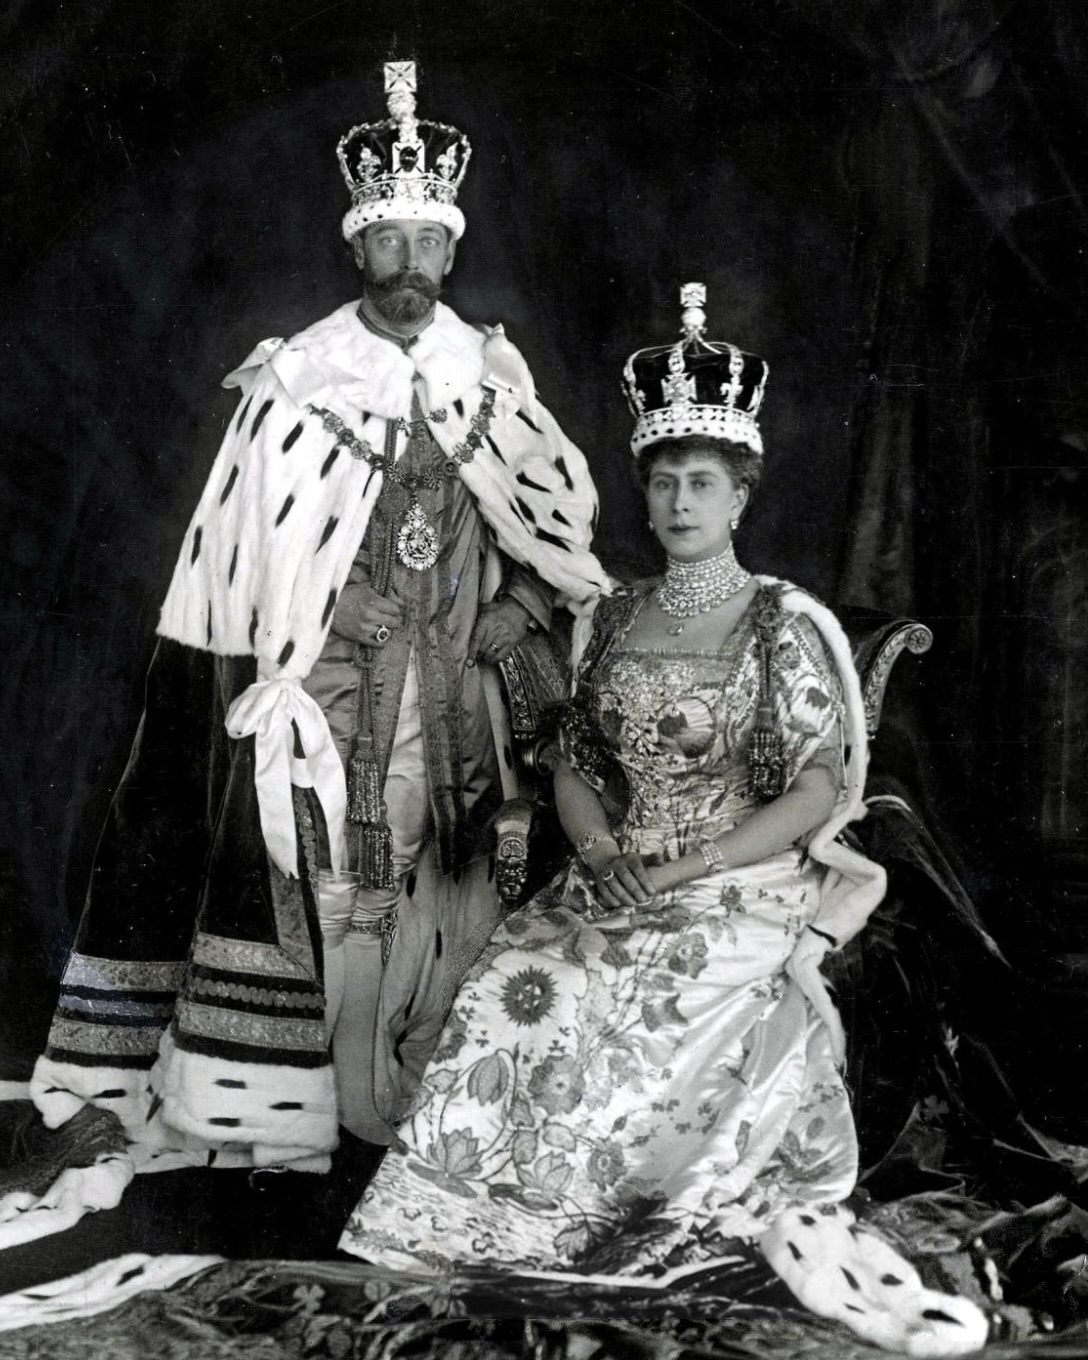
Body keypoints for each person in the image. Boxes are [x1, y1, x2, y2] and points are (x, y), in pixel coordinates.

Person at [339, 285, 989, 1356]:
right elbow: (572, 762)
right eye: (664, 481)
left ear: (739, 497)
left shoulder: (782, 621)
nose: (681, 501)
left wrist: (695, 861)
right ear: (643, 497)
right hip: (619, 864)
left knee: (635, 992)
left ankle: (616, 1225)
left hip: (741, 872)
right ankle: (478, 1220)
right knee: (519, 972)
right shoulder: (616, 614)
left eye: (702, 482)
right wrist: (597, 848)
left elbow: (817, 788)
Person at [26, 59, 608, 1196]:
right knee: (331, 886)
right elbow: (246, 562)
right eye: (385, 243)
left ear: (450, 247)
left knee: (458, 885)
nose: (407, 268)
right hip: (329, 694)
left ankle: (438, 1109)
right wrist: (332, 616)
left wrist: (515, 609)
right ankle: (297, 1120)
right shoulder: (295, 384)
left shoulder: (486, 379)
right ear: (356, 246)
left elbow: (552, 535)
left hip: (460, 706)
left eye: (424, 244)